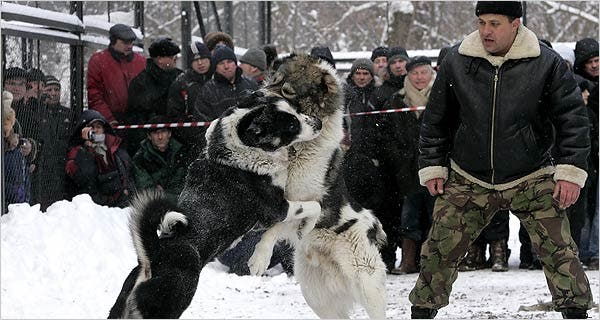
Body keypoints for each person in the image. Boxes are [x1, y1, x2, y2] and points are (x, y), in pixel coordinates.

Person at [409, 2, 592, 319]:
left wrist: (570, 173)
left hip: (531, 173)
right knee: (438, 249)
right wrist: (433, 165)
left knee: (559, 250)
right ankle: (422, 311)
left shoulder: (546, 63)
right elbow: (436, 120)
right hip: (468, 174)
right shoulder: (457, 60)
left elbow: (573, 121)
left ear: (515, 24)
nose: (486, 31)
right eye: (481, 22)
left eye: (494, 23)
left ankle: (575, 311)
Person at [386, 56, 437, 275]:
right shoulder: (397, 101)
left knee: (437, 216)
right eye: (414, 73)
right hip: (407, 170)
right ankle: (408, 260)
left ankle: (435, 262)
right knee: (409, 217)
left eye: (423, 72)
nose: (419, 78)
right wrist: (399, 160)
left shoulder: (442, 97)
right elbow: (389, 137)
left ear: (431, 73)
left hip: (436, 168)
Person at [65, 110, 133, 208]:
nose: (96, 130)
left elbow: (128, 174)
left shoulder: (115, 148)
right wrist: (85, 149)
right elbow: (83, 178)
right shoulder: (77, 152)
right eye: (92, 127)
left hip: (121, 203)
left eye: (99, 127)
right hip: (94, 206)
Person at [127, 37, 182, 156]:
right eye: (172, 56)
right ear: (160, 59)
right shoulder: (141, 83)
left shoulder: (180, 78)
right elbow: (136, 117)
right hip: (150, 146)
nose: (175, 59)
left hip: (177, 143)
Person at [87, 23, 145, 126]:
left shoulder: (141, 62)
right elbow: (95, 95)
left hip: (138, 120)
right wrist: (109, 119)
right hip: (111, 120)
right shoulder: (99, 61)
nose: (130, 46)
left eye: (131, 42)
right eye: (125, 43)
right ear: (113, 41)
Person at [166, 41, 213, 162]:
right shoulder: (180, 83)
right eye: (195, 60)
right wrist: (192, 137)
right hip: (192, 143)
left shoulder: (219, 78)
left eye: (203, 58)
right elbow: (174, 115)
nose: (200, 63)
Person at [192, 45, 258, 124]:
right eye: (221, 63)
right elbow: (202, 123)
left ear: (235, 64)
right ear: (215, 67)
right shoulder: (208, 90)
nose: (226, 66)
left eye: (229, 62)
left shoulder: (251, 84)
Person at [131, 115, 189, 203]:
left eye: (163, 131)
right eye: (155, 133)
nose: (160, 137)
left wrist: (163, 194)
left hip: (181, 203)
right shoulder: (140, 158)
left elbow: (184, 186)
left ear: (169, 133)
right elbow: (148, 192)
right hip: (155, 207)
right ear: (149, 136)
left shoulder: (181, 152)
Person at [38, 75, 75, 210]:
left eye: (56, 89)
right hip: (43, 168)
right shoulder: (37, 113)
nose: (53, 93)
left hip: (63, 168)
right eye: (49, 89)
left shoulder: (69, 114)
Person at [3, 92, 33, 213]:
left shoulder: (16, 152)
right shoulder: (5, 152)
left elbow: (24, 177)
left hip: (20, 202)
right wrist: (14, 191)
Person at [369, 46, 410, 110]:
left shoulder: (419, 83)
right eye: (393, 62)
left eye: (401, 61)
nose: (397, 66)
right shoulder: (380, 92)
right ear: (389, 67)